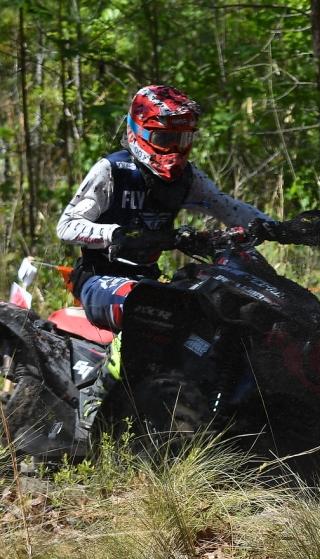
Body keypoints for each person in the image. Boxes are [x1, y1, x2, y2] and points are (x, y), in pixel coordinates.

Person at [57, 84, 278, 438]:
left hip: (149, 280)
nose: (174, 150)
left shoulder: (187, 178)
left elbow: (228, 208)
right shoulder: (113, 171)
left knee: (203, 307)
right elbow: (66, 226)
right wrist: (114, 234)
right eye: (164, 138)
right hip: (100, 279)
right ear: (139, 131)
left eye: (183, 139)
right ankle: (95, 396)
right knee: (144, 302)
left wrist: (277, 227)